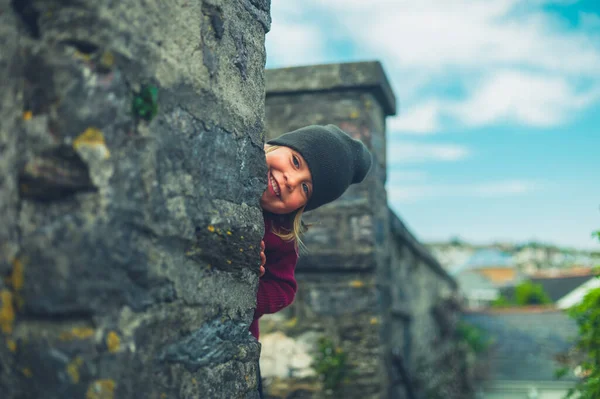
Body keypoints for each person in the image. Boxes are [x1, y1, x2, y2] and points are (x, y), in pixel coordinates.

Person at [251, 124, 372, 397]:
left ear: (302, 207)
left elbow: (284, 291)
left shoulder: (281, 236)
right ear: (275, 144)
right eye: (295, 161)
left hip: (239, 342)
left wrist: (250, 285)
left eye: (305, 188)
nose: (291, 181)